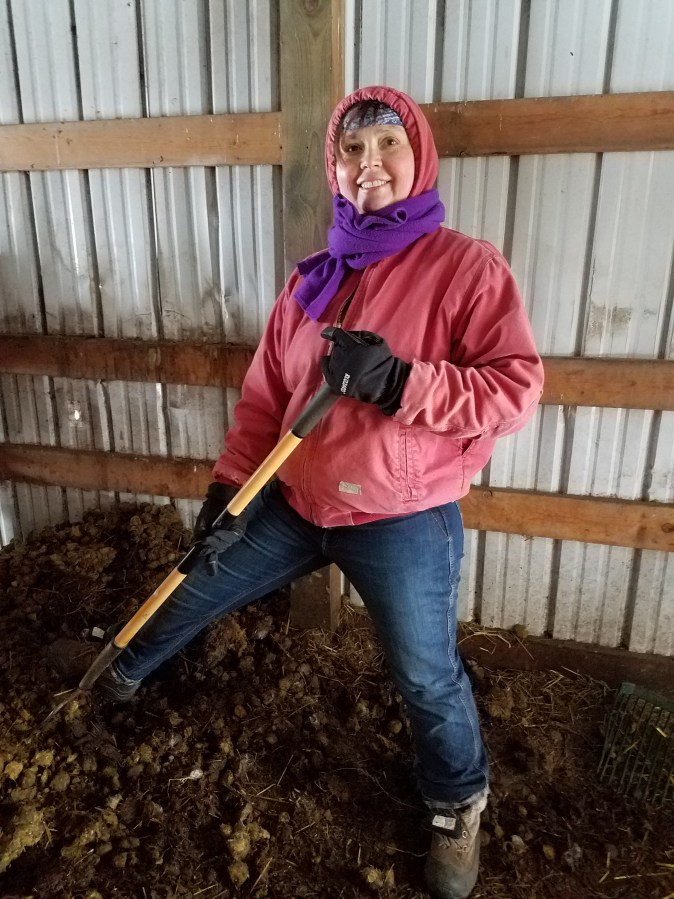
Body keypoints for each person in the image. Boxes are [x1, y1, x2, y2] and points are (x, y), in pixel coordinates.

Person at [96, 86, 544, 899]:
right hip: (295, 503)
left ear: (418, 156)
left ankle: (457, 803)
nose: (370, 162)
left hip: (402, 516)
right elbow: (264, 398)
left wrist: (402, 380)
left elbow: (515, 389)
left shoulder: (465, 268)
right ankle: (120, 671)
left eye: (388, 144)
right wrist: (227, 488)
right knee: (196, 577)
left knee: (425, 673)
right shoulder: (313, 278)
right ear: (334, 169)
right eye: (352, 149)